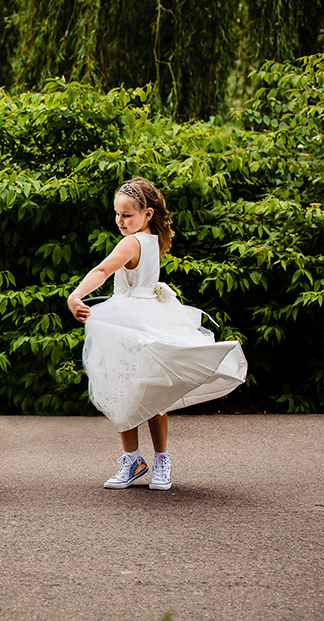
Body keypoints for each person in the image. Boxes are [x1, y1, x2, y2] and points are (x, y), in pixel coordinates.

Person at [67, 177, 247, 491]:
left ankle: (134, 459)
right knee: (152, 387)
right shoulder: (153, 239)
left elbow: (102, 270)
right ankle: (158, 460)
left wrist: (76, 295)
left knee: (123, 387)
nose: (120, 221)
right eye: (117, 214)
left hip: (130, 319)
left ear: (147, 214)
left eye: (127, 215)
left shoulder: (131, 242)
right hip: (150, 314)